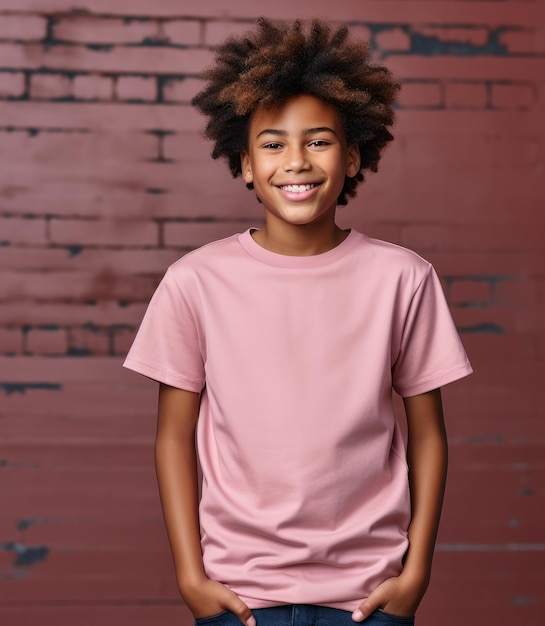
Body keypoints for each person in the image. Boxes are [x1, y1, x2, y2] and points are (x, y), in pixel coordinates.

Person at [123, 17, 472, 626]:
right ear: (246, 165)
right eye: (273, 144)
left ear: (354, 154)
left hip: (369, 596)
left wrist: (416, 571)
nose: (296, 162)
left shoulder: (403, 278)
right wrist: (190, 575)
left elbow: (428, 434)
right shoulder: (196, 281)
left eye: (318, 140)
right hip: (240, 595)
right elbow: (173, 437)